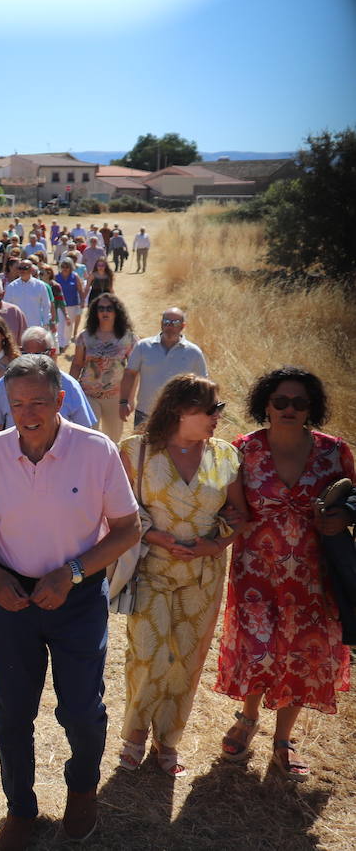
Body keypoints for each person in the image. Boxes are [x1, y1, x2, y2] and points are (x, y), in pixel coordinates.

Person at [0, 354, 141, 850]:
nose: (27, 413)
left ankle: (82, 790)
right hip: (12, 599)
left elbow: (128, 529)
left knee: (82, 711)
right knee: (13, 711)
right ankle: (20, 809)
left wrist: (72, 573)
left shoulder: (97, 450)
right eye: (17, 403)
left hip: (78, 598)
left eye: (39, 401)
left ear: (61, 400)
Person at [215, 367, 354, 781]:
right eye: (281, 401)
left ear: (312, 408)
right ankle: (248, 717)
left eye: (299, 403)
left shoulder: (334, 452)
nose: (289, 409)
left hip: (314, 576)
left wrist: (344, 514)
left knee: (300, 654)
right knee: (259, 648)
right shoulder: (243, 449)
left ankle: (283, 741)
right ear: (266, 405)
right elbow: (227, 504)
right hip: (255, 573)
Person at [116, 376, 245, 778]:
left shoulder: (225, 456)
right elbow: (120, 510)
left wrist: (216, 545)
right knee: (149, 652)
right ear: (180, 410)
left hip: (203, 574)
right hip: (152, 567)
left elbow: (239, 514)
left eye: (219, 409)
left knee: (186, 659)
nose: (217, 418)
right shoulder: (136, 451)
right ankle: (135, 734)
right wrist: (157, 536)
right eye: (211, 410)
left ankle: (168, 740)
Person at [0, 327, 98, 435]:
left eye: (39, 354)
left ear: (51, 353)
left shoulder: (70, 385)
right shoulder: (5, 383)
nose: (32, 360)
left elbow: (85, 431)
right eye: (27, 354)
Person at [119, 307, 208, 430]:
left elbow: (203, 386)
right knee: (142, 449)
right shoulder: (143, 346)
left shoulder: (194, 353)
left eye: (175, 323)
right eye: (166, 322)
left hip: (178, 417)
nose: (170, 326)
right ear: (161, 324)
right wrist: (124, 401)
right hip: (145, 414)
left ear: (183, 326)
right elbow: (130, 374)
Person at [70, 294, 136, 443]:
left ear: (116, 312)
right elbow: (77, 364)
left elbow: (132, 372)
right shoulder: (85, 337)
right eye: (101, 309)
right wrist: (69, 391)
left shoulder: (128, 338)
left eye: (109, 308)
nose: (104, 312)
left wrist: (129, 399)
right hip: (88, 395)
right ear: (95, 312)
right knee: (88, 438)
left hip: (115, 396)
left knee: (112, 441)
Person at [3, 261, 53, 331]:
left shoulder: (40, 286)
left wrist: (46, 323)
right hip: (17, 326)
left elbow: (46, 305)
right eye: (20, 268)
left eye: (25, 268)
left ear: (31, 270)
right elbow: (6, 306)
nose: (22, 270)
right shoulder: (11, 287)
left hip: (35, 326)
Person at [54, 258, 86, 339]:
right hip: (60, 305)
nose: (65, 268)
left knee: (69, 324)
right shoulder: (56, 277)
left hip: (72, 304)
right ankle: (61, 343)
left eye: (67, 267)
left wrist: (82, 301)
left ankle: (66, 341)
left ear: (71, 267)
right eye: (63, 266)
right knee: (60, 323)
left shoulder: (75, 276)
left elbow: (80, 290)